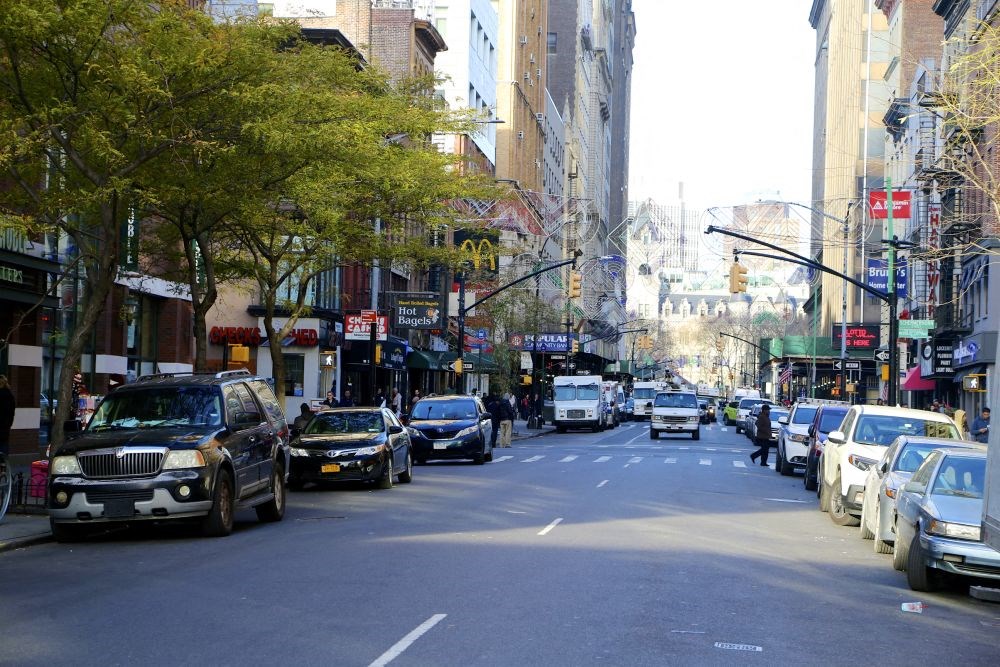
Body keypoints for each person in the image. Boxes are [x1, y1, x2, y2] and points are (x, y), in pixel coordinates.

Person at [0, 375, 15, 456]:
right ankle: (4, 463)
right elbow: (12, 411)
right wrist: (9, 423)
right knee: (4, 446)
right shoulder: (10, 395)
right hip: (5, 426)